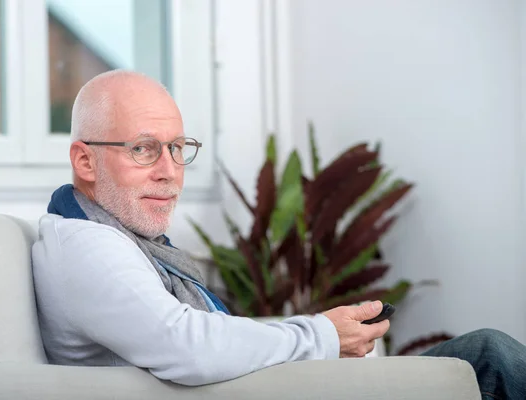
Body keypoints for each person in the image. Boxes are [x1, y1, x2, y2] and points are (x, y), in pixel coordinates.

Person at [32, 70, 526, 397]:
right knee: (490, 357)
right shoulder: (85, 246)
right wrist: (321, 336)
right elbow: (188, 342)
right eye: (144, 149)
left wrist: (328, 335)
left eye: (178, 148)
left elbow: (203, 337)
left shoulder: (110, 233)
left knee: (488, 355)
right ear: (84, 160)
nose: (170, 171)